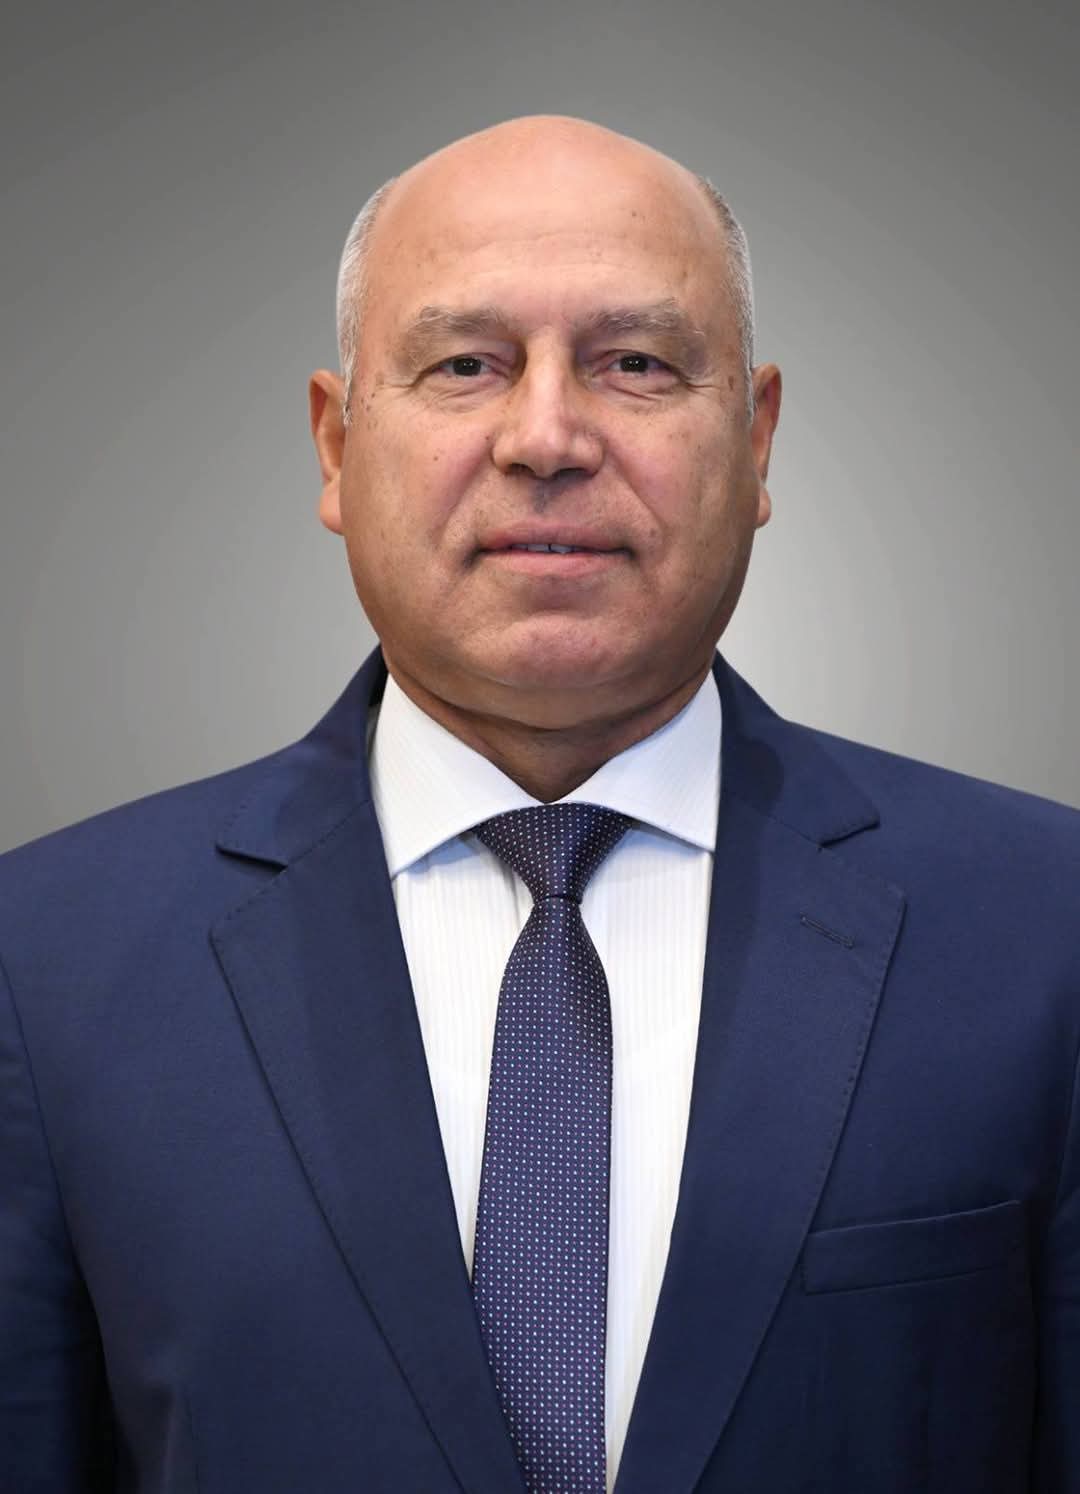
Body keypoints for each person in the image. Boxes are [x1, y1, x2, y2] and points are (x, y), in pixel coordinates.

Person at [0, 114, 1076, 1494]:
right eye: (467, 364)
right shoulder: (46, 963)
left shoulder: (1044, 932)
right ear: (335, 445)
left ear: (757, 441)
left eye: (637, 364)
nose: (548, 435)